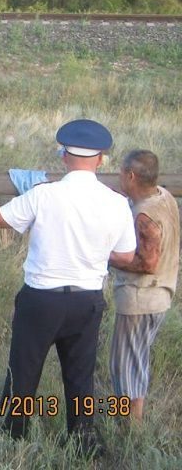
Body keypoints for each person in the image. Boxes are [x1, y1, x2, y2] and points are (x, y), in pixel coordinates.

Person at [0, 119, 136, 448]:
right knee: (81, 375)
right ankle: (83, 438)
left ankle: (15, 436)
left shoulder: (44, 195)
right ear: (101, 159)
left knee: (24, 369)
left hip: (41, 299)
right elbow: (125, 255)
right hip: (87, 300)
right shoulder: (118, 203)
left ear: (63, 156)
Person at [109, 150, 180, 422]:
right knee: (138, 361)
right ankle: (134, 423)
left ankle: (129, 428)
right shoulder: (165, 196)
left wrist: (108, 256)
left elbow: (147, 263)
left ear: (131, 176)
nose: (119, 178)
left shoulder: (144, 215)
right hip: (161, 293)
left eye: (120, 173)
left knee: (125, 366)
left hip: (141, 298)